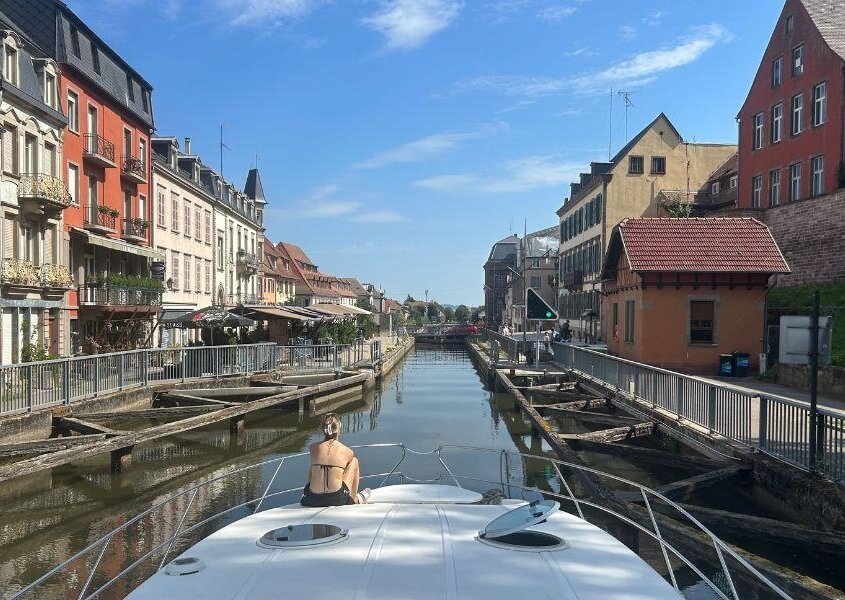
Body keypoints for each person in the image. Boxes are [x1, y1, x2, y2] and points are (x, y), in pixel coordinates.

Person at [301, 413, 371, 506]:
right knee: (354, 461)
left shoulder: (313, 448)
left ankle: (306, 492)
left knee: (315, 463)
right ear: (339, 427)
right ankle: (354, 499)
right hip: (337, 498)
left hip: (312, 499)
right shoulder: (347, 451)